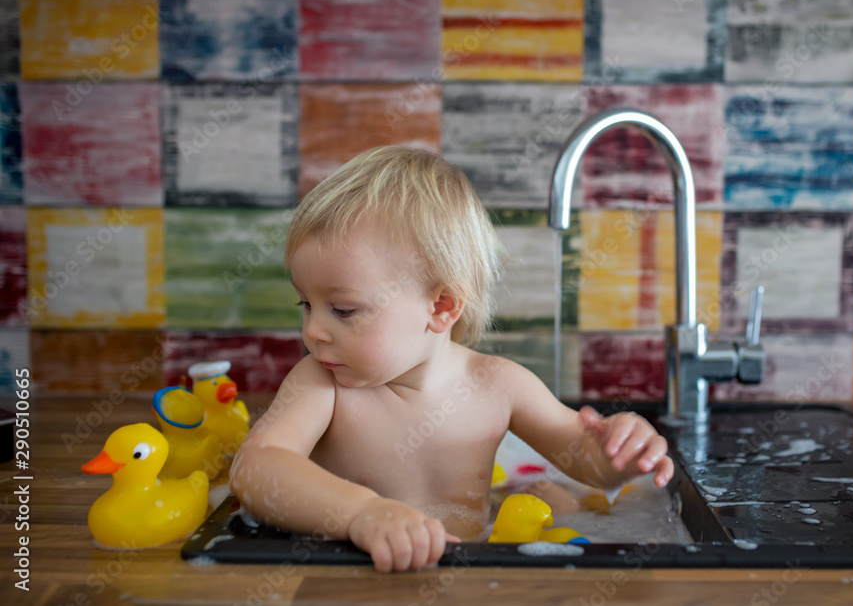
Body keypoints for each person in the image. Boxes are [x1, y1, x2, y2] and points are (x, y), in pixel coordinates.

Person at [229, 146, 674, 572]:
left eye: (343, 310)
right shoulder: (322, 385)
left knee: (554, 499)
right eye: (304, 304)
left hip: (477, 569)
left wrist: (622, 455)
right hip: (360, 577)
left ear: (441, 307)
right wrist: (360, 513)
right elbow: (256, 467)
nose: (313, 331)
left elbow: (581, 456)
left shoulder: (499, 385)